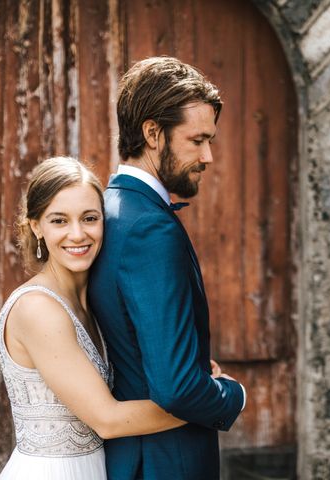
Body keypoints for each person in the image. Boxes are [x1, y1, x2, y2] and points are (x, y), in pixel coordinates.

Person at [88, 56, 246, 480]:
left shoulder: (109, 209)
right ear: (153, 133)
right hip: (164, 462)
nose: (208, 156)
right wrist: (233, 394)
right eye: (197, 140)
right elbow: (175, 386)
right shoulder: (149, 228)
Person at [0, 157, 193, 480]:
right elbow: (108, 419)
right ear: (36, 226)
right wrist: (203, 400)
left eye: (89, 218)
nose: (77, 234)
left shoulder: (93, 303)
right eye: (59, 221)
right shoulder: (37, 309)